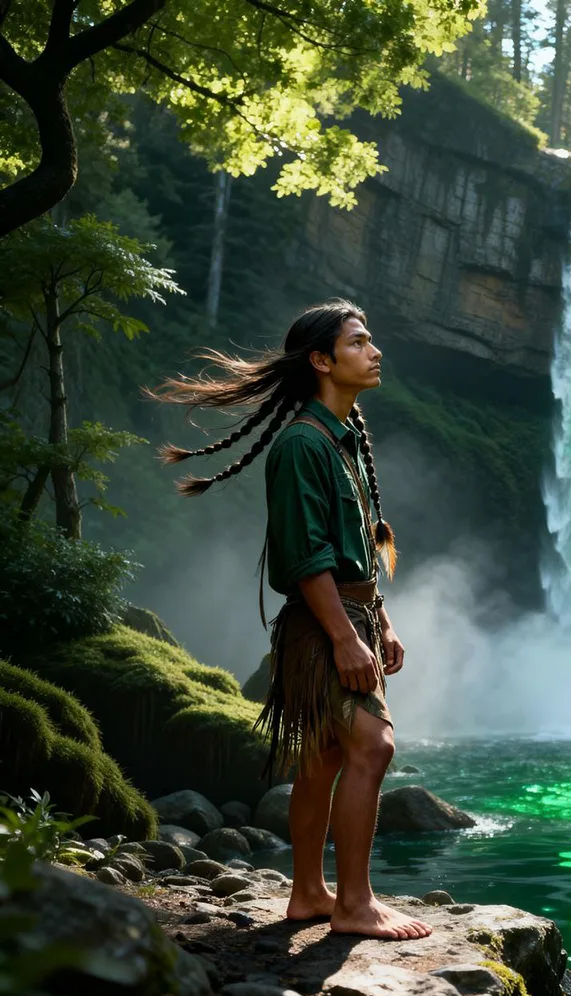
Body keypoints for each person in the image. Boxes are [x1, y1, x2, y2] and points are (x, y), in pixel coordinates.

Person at [148, 299, 432, 941]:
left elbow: (354, 544)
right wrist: (344, 638)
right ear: (322, 360)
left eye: (371, 339)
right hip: (322, 620)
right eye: (359, 342)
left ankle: (308, 893)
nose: (374, 351)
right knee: (373, 745)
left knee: (326, 754)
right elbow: (307, 559)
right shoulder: (303, 444)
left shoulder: (346, 436)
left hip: (350, 613)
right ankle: (355, 904)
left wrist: (380, 624)